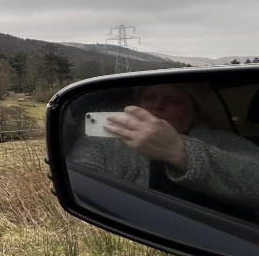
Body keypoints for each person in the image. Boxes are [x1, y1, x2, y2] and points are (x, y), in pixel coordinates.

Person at [69, 84, 259, 217]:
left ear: (195, 113)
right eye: (150, 97)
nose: (157, 105)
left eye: (173, 101)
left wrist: (181, 152)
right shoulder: (105, 139)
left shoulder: (225, 143)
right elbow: (76, 182)